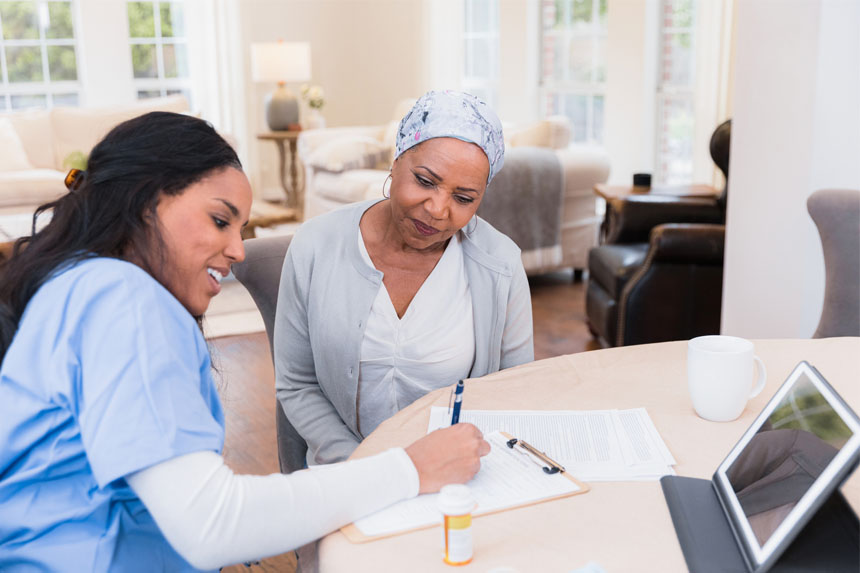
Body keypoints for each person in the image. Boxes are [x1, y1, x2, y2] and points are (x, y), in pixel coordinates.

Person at [0, 112, 490, 572]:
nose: (237, 251)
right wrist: (410, 468)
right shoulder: (122, 298)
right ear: (145, 202)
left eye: (240, 229)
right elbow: (210, 522)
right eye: (220, 220)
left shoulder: (79, 285)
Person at [275, 90, 534, 465]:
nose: (437, 209)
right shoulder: (315, 245)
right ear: (395, 162)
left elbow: (514, 390)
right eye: (426, 181)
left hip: (458, 476)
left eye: (464, 198)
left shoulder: (501, 263)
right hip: (348, 475)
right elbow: (297, 383)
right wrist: (366, 466)